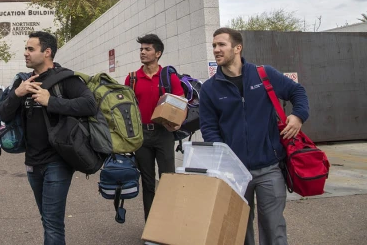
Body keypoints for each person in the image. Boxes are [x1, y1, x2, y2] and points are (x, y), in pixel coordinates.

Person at [199, 27, 309, 245]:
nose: (216, 50)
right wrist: (227, 163)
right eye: (214, 46)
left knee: (273, 227)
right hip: (235, 174)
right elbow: (209, 129)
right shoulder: (210, 89)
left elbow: (298, 91)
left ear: (237, 48)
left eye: (221, 44)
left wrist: (298, 116)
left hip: (269, 167)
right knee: (238, 230)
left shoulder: (263, 74)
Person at [0, 31, 96, 245]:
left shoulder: (66, 78)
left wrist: (50, 101)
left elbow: (90, 105)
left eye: (30, 49)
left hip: (57, 161)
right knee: (47, 219)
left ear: (47, 52)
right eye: (26, 48)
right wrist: (17, 94)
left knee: (52, 222)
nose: (25, 53)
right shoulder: (24, 81)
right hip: (32, 162)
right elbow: (3, 115)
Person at [124, 33, 184, 221]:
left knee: (168, 180)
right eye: (141, 49)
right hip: (142, 136)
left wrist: (176, 123)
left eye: (147, 49)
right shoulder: (132, 79)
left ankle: (168, 225)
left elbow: (180, 102)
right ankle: (151, 225)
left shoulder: (169, 77)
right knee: (148, 183)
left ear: (157, 53)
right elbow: (126, 108)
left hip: (164, 134)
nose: (142, 52)